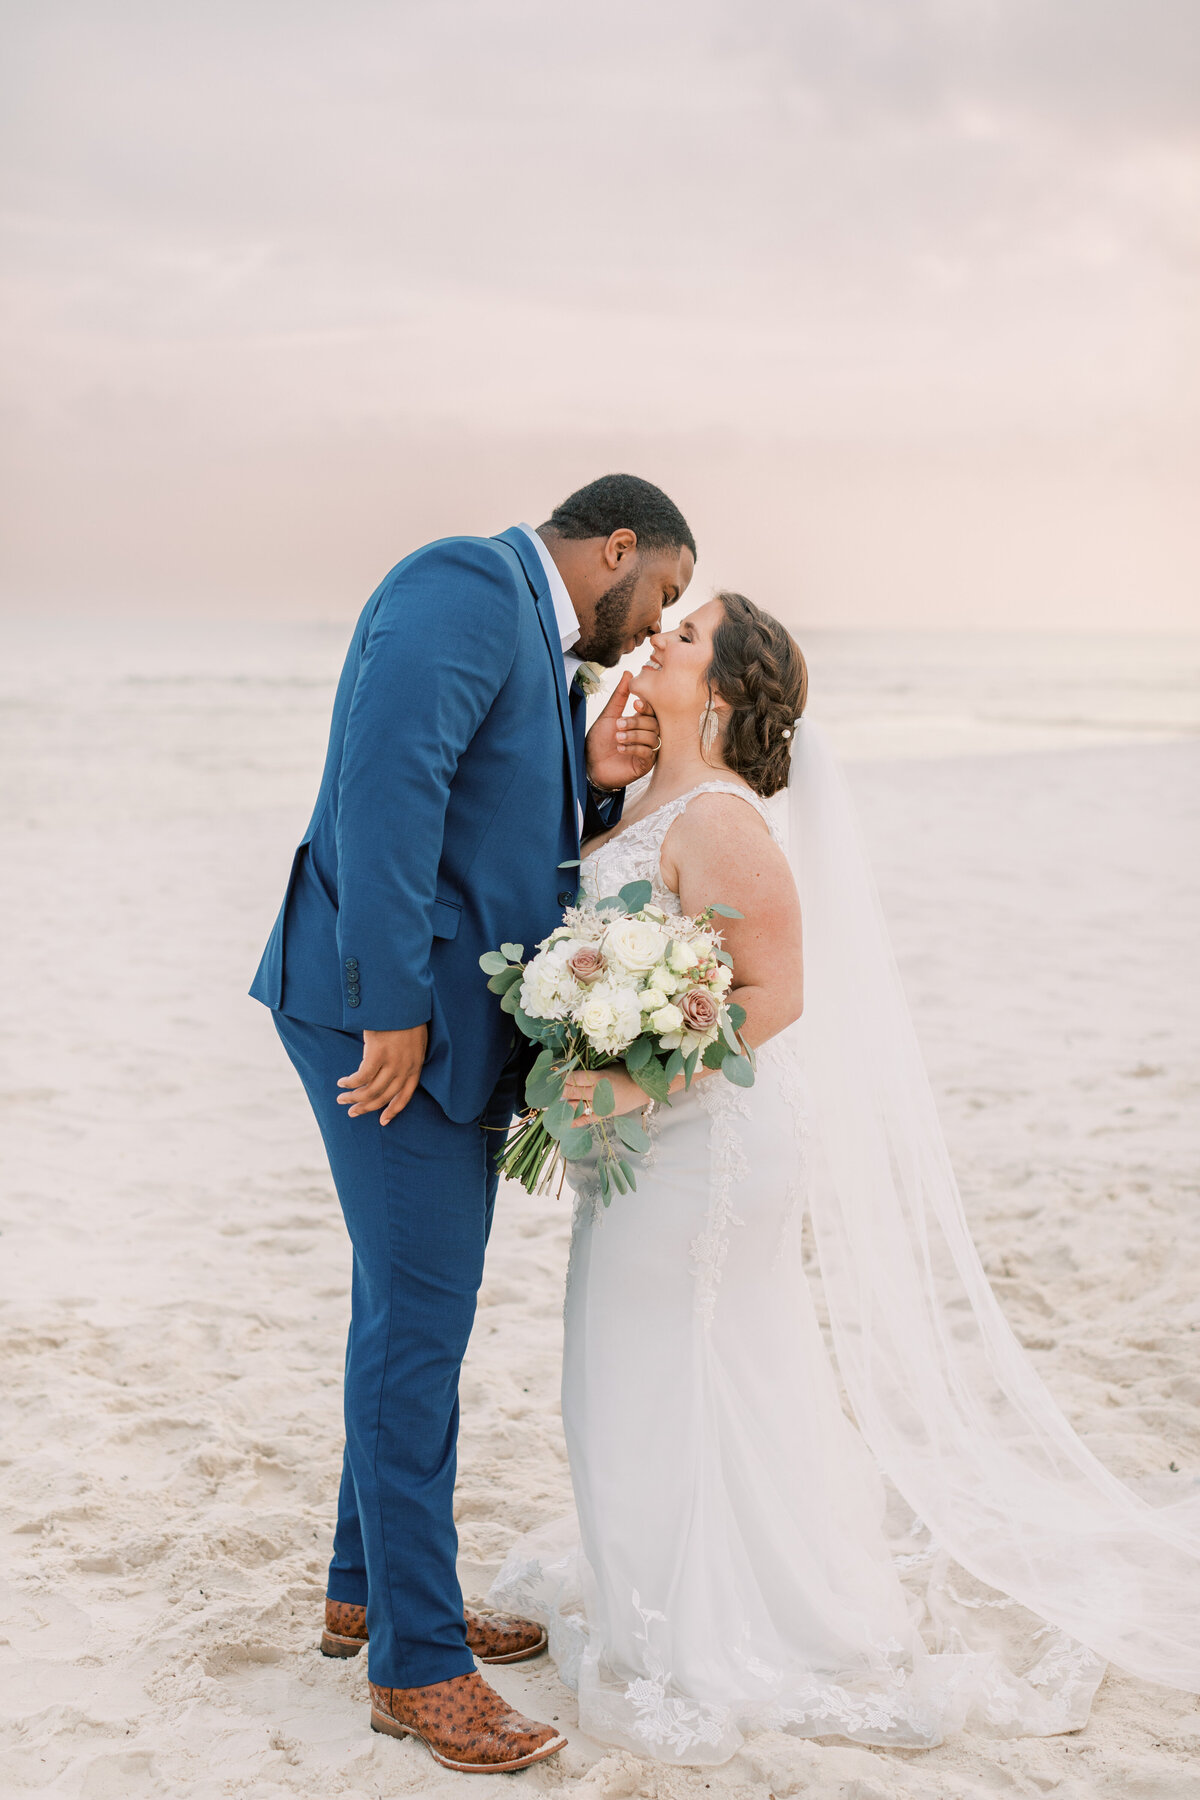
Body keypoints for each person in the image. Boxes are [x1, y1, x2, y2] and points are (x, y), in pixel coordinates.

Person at [489, 591, 1200, 1764]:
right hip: (658, 1152)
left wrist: (622, 1085)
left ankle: (710, 1625)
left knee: (651, 1369)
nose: (655, 640)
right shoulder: (646, 796)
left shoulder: (723, 821)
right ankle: (665, 1589)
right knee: (643, 1372)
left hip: (704, 1151)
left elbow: (777, 995)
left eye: (683, 636)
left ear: (717, 693)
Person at [249, 474, 696, 1774]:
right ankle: (417, 1668)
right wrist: (388, 1004)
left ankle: (364, 1588)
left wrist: (597, 781)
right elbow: (390, 791)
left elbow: (502, 834)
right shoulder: (462, 586)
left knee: (405, 1309)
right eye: (659, 591)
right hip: (388, 1025)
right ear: (618, 546)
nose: (652, 619)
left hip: (442, 1021)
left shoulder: (529, 635)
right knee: (419, 1328)